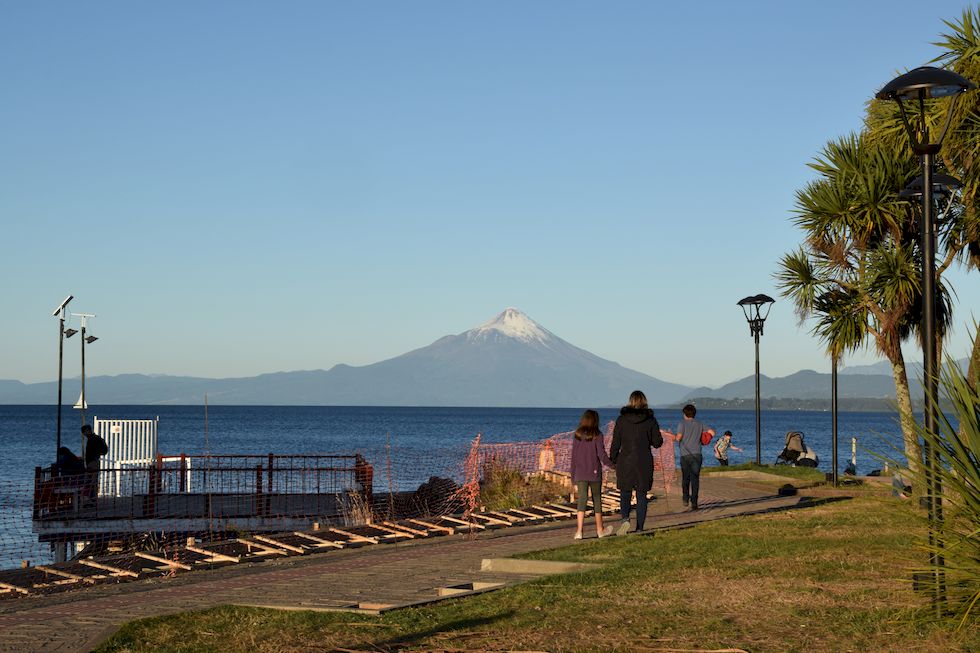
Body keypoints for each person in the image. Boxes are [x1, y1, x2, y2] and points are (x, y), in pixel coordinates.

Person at [610, 390, 663, 535]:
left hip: (625, 461)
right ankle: (640, 527)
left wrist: (613, 459)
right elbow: (657, 442)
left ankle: (625, 520)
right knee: (641, 495)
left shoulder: (621, 420)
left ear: (630, 401)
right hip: (643, 461)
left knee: (625, 493)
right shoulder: (650, 420)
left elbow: (616, 443)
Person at [570, 409, 615, 540]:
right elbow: (601, 455)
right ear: (595, 421)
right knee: (597, 500)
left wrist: (573, 477)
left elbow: (573, 457)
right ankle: (600, 530)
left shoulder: (577, 435)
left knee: (582, 501)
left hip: (580, 474)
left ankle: (579, 531)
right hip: (594, 473)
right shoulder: (598, 435)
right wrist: (613, 465)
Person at [674, 404, 714, 511]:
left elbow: (678, 438)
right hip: (697, 454)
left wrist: (669, 435)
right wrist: (704, 440)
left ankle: (686, 498)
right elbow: (712, 432)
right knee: (695, 479)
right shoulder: (700, 424)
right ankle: (695, 502)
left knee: (685, 478)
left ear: (685, 414)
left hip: (685, 455)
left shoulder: (682, 423)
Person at [81, 424, 108, 501]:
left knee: (90, 481)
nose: (83, 434)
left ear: (87, 431)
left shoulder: (92, 439)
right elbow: (104, 450)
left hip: (92, 462)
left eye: (83, 432)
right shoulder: (96, 438)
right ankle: (93, 498)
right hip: (95, 461)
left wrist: (94, 456)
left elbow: (91, 452)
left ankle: (91, 498)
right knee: (93, 481)